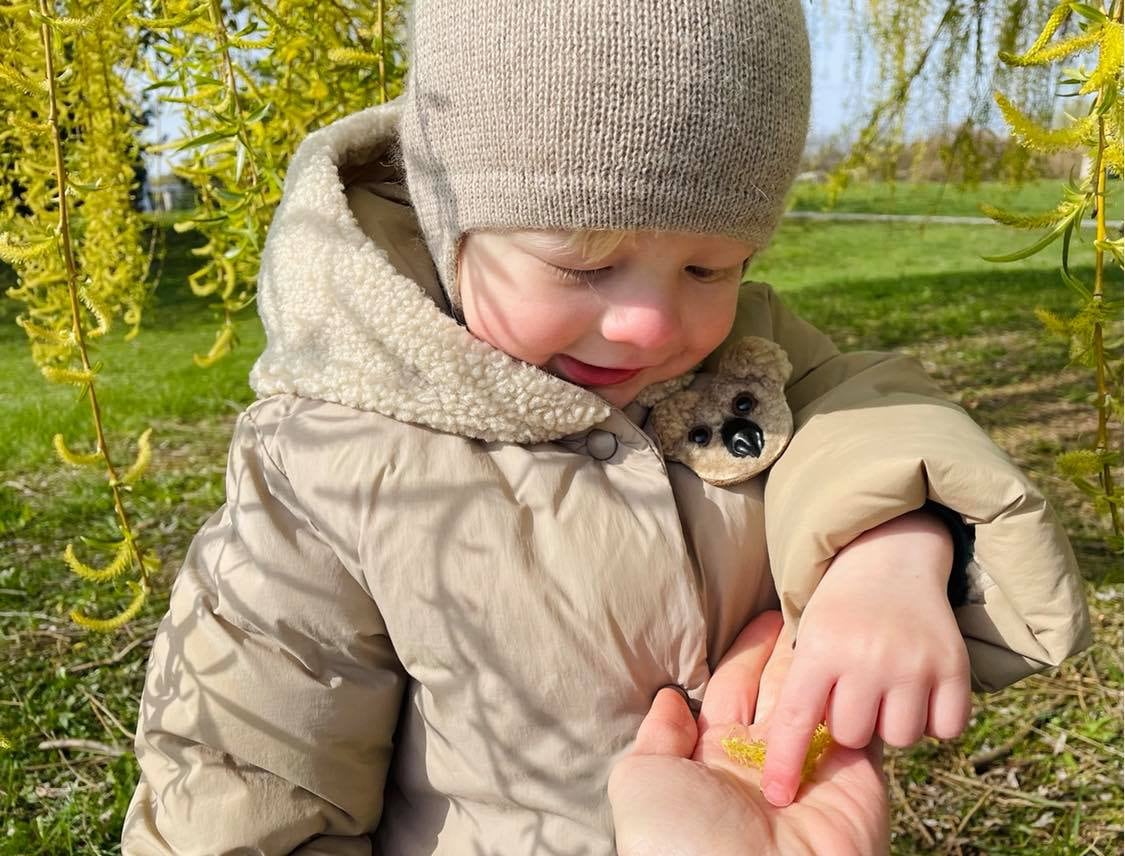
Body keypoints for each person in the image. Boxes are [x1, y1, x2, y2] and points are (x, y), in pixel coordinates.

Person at [121, 0, 1091, 853]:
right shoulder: (332, 461)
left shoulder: (747, 353)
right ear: (447, 217)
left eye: (711, 268)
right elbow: (247, 781)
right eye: (582, 264)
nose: (654, 323)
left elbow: (874, 416)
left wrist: (891, 548)